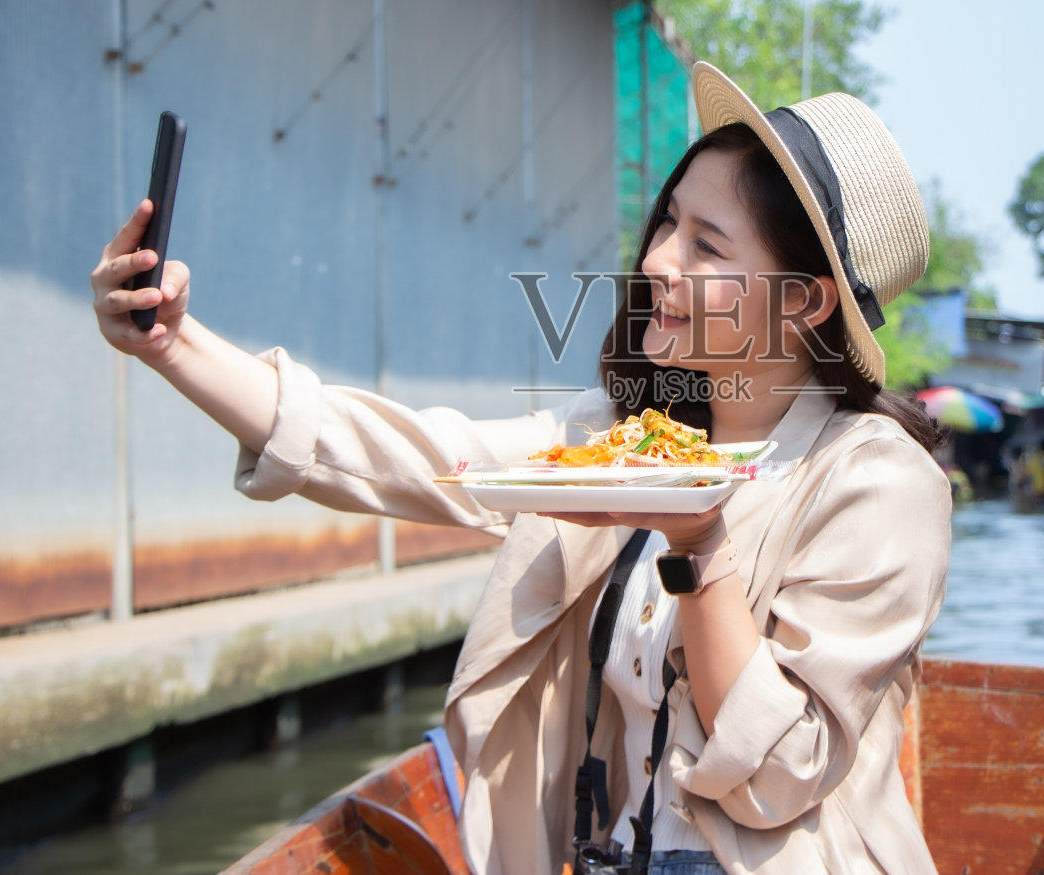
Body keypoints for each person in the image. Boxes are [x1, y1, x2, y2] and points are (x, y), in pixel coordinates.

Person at [92, 62, 953, 874]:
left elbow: (778, 774)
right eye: (669, 222)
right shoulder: (629, 441)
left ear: (803, 301)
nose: (658, 260)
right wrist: (172, 344)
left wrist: (700, 545)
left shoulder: (879, 483)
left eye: (707, 245)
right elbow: (414, 454)